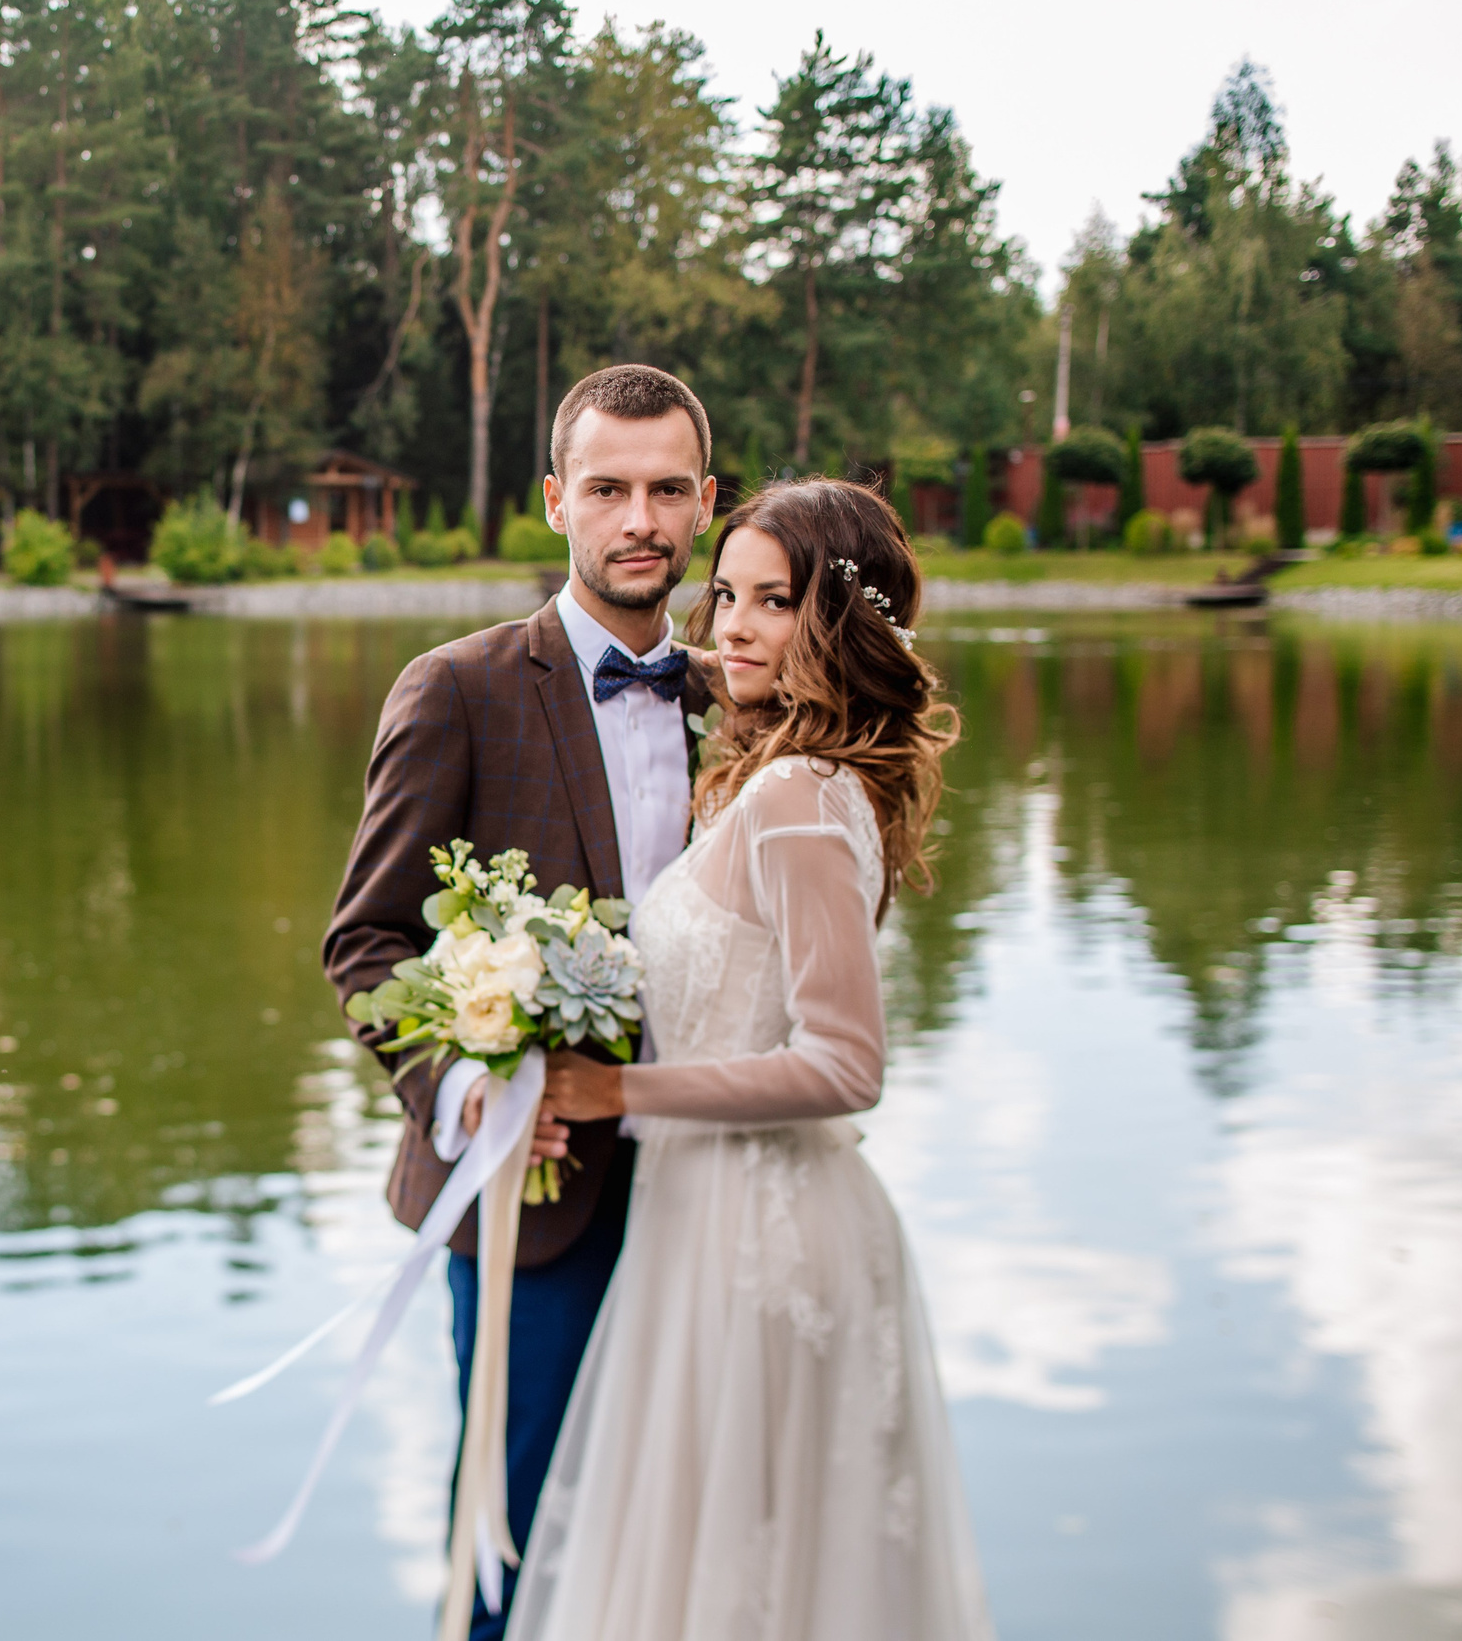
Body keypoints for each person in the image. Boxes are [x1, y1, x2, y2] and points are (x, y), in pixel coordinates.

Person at [505, 478, 991, 1640]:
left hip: (760, 1232)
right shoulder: (782, 779)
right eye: (725, 594)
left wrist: (613, 1089)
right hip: (703, 1215)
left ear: (839, 621)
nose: (732, 625)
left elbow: (845, 1065)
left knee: (745, 1587)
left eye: (775, 601)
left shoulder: (799, 798)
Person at [324, 364, 720, 1640]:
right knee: (511, 1529)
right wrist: (467, 1088)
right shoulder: (459, 688)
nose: (639, 521)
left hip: (712, 1179)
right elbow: (367, 940)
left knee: (693, 1519)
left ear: (706, 502)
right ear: (556, 501)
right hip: (532, 1194)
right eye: (608, 490)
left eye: (667, 490)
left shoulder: (739, 699)